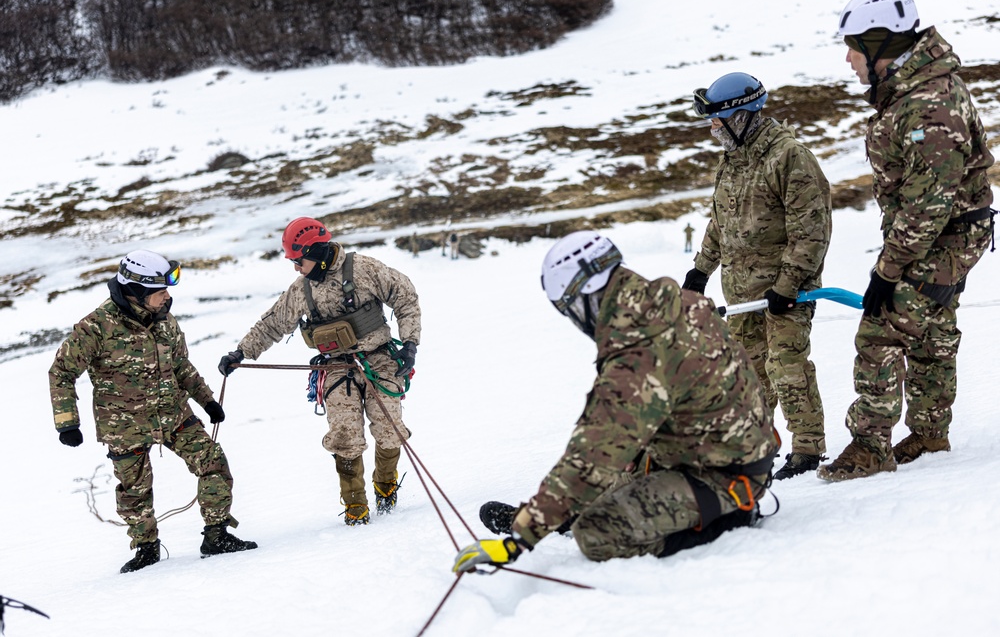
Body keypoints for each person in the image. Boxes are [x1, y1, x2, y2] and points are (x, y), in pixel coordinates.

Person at [452, 231, 777, 574]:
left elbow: (591, 455)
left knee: (594, 531)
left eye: (571, 309)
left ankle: (733, 518)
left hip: (724, 476)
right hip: (719, 447)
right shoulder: (671, 303)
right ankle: (554, 514)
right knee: (609, 479)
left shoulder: (637, 353)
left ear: (587, 297)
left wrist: (517, 541)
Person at [818, 0, 995, 481]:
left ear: (881, 45)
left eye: (855, 45)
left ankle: (870, 446)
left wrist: (887, 270)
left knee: (881, 330)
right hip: (943, 231)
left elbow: (929, 202)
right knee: (933, 332)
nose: (848, 57)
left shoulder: (928, 105)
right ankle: (931, 432)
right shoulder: (912, 90)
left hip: (946, 234)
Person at [49, 249, 257, 574]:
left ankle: (216, 536)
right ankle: (146, 549)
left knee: (213, 462)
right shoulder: (96, 327)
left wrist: (207, 401)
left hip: (173, 415)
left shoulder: (165, 320)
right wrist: (67, 424)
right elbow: (61, 372)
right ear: (137, 292)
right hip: (124, 427)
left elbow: (180, 366)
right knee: (135, 493)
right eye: (160, 291)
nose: (167, 297)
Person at [219, 217, 421, 524]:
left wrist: (409, 344)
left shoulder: (365, 269)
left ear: (315, 252)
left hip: (380, 362)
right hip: (337, 370)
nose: (295, 268)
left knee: (390, 431)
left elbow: (405, 296)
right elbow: (273, 323)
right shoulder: (301, 290)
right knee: (344, 438)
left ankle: (385, 486)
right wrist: (241, 352)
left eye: (298, 261)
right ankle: (356, 507)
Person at [682, 72, 833, 480]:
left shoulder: (789, 157)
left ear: (741, 115)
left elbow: (812, 230)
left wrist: (787, 287)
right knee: (747, 375)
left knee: (785, 365)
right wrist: (700, 270)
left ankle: (806, 449)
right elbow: (721, 222)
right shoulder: (733, 160)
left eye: (717, 120)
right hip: (741, 293)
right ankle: (750, 451)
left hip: (786, 292)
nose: (713, 129)